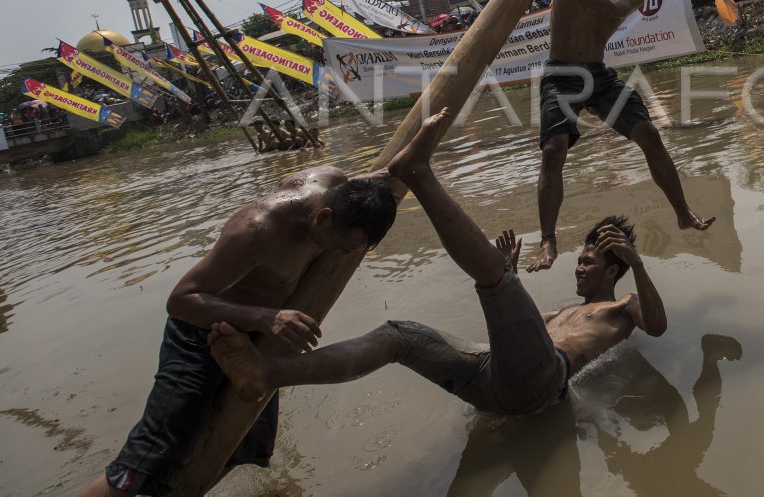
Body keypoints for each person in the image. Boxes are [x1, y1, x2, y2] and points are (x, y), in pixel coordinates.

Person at [208, 109, 667, 418]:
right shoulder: (560, 313)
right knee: (398, 336)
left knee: (496, 279)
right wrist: (509, 286)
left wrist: (637, 264)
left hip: (544, 385)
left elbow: (657, 326)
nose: (580, 268)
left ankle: (419, 173)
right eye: (581, 260)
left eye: (590, 263)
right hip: (495, 383)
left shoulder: (622, 306)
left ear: (613, 271)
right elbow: (511, 340)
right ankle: (269, 374)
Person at [77, 163, 401, 496]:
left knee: (248, 442)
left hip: (251, 338)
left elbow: (379, 177)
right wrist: (266, 318)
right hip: (199, 333)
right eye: (340, 246)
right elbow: (181, 300)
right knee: (154, 452)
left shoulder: (334, 184)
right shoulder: (256, 230)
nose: (338, 254)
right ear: (323, 218)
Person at [503, 0, 713, 272]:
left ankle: (681, 211)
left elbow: (609, 7)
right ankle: (548, 240)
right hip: (561, 74)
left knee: (648, 133)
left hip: (598, 76)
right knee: (553, 151)